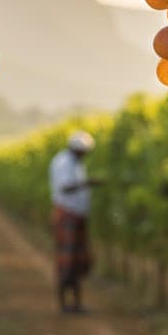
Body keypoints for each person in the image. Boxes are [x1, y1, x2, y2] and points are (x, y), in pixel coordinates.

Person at [49, 131, 102, 313]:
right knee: (67, 262)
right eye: (83, 152)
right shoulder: (64, 162)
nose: (85, 155)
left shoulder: (75, 163)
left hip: (76, 214)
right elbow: (65, 187)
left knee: (76, 262)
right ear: (77, 149)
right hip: (67, 214)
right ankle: (65, 305)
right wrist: (88, 183)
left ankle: (76, 304)